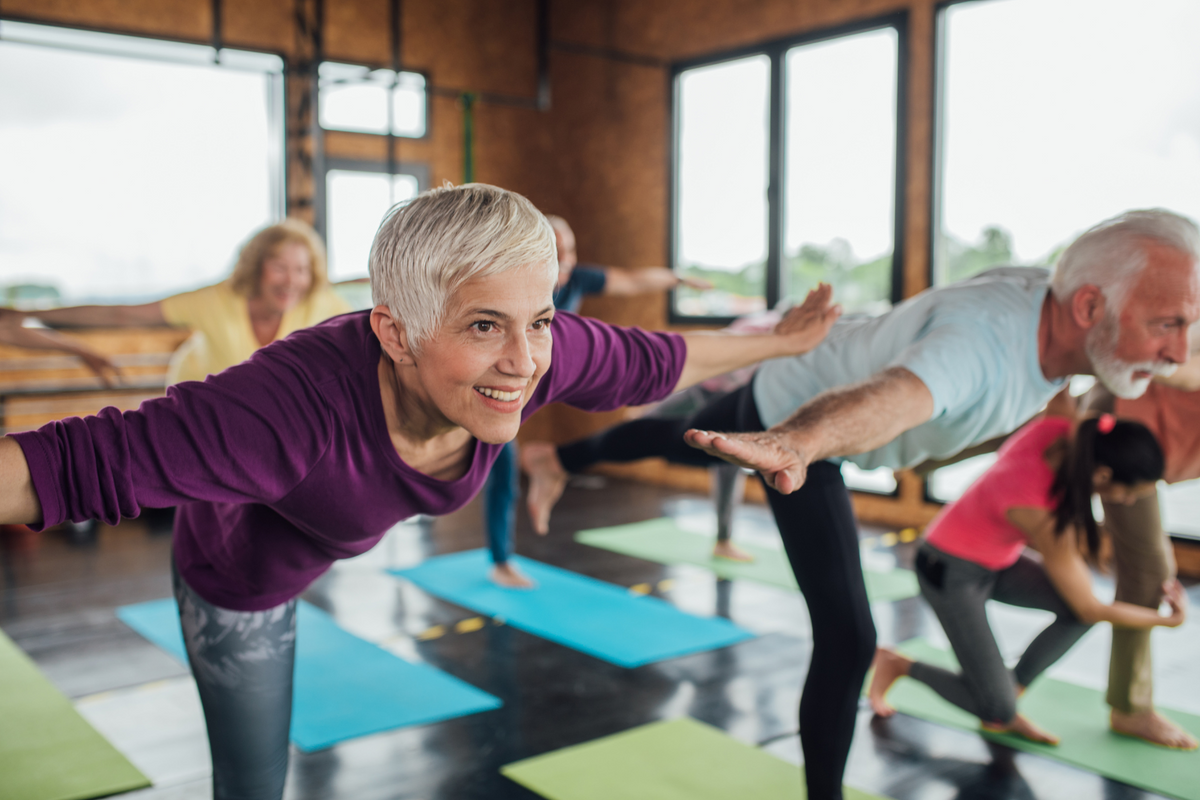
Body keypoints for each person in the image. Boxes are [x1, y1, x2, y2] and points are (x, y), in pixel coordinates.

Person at [0, 183, 840, 800]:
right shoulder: (281, 412)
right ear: (396, 331)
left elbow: (665, 356)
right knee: (254, 784)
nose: (523, 361)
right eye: (484, 326)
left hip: (324, 524)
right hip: (241, 576)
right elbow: (51, 470)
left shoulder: (539, 348)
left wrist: (780, 341)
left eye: (539, 320)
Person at [525, 209, 1200, 800]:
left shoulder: (1051, 312)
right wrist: (798, 441)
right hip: (800, 420)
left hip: (798, 391)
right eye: (1167, 324)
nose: (1177, 351)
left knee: (679, 437)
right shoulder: (986, 344)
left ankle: (556, 458)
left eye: (1187, 326)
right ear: (1088, 307)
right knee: (850, 638)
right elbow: (899, 395)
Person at [868, 412, 1186, 744]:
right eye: (1129, 491)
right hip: (948, 569)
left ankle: (1007, 692)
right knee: (995, 710)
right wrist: (1165, 621)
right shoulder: (1042, 513)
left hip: (997, 561)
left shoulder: (1056, 433)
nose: (1129, 501)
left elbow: (1084, 611)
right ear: (1103, 474)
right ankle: (901, 665)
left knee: (1072, 617)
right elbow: (1092, 607)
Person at [483, 213, 715, 588]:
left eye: (570, 250)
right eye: (556, 252)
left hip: (528, 393)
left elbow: (630, 280)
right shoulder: (515, 283)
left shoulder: (578, 278)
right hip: (494, 389)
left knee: (502, 470)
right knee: (488, 468)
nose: (567, 259)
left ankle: (503, 557)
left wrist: (679, 278)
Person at [3, 219, 349, 385]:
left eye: (302, 270)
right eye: (280, 267)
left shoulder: (322, 302)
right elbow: (122, 314)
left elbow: (366, 335)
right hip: (198, 398)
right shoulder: (217, 299)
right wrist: (33, 312)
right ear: (257, 267)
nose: (291, 280)